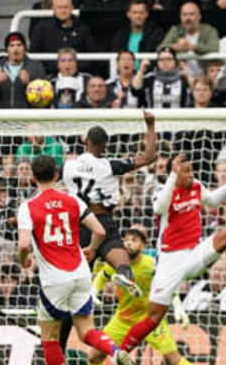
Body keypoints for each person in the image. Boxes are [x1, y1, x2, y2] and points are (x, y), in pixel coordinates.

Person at [113, 153, 226, 365]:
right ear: (174, 173)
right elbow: (157, 209)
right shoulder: (164, 191)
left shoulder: (195, 185)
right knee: (154, 316)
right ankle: (122, 353)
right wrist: (173, 175)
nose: (191, 174)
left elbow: (213, 201)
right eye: (186, 170)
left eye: (191, 169)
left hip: (193, 254)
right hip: (169, 260)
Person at [17, 155, 139, 365]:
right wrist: (92, 250)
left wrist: (24, 261)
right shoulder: (73, 200)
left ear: (32, 178)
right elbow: (101, 231)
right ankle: (116, 353)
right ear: (57, 175)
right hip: (81, 273)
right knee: (87, 331)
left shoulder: (28, 207)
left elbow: (24, 244)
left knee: (50, 337)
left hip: (54, 279)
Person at [87, 226, 225, 365]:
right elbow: (102, 276)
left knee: (174, 359)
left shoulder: (151, 264)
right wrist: (94, 291)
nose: (128, 243)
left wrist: (177, 305)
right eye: (126, 239)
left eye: (134, 240)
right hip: (123, 319)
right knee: (94, 356)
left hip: (151, 320)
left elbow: (169, 284)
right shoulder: (116, 262)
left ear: (143, 246)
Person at [61, 112, 156, 293]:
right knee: (122, 262)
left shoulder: (68, 166)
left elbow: (46, 178)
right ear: (105, 145)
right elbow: (148, 157)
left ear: (85, 141)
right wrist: (150, 125)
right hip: (102, 220)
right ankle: (122, 275)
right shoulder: (110, 165)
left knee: (75, 279)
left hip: (77, 222)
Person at [30, 0, 94, 74]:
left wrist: (74, 67)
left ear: (72, 8)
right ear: (53, 9)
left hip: (79, 74)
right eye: (60, 7)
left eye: (66, 7)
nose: (63, 11)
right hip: (49, 75)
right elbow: (34, 54)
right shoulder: (42, 27)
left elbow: (91, 54)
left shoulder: (82, 28)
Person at [0, 32, 47, 109]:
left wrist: (29, 85)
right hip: (2, 118)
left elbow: (43, 99)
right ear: (7, 50)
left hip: (28, 118)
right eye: (12, 46)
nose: (16, 49)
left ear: (25, 48)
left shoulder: (36, 67)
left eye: (19, 45)